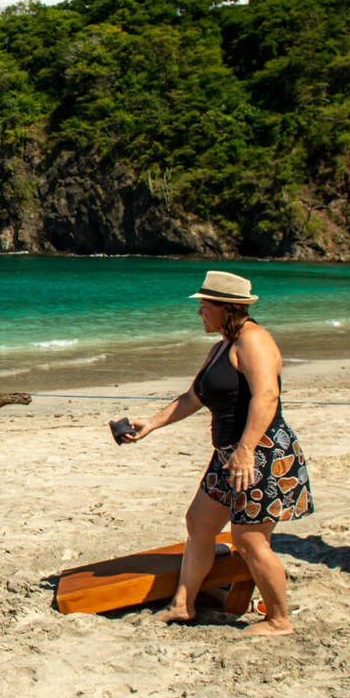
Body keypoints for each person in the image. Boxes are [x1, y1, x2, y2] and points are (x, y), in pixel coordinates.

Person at [119, 269, 312, 636]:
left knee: (249, 539)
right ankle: (183, 604)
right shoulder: (222, 345)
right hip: (229, 454)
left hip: (259, 454)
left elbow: (267, 396)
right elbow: (194, 397)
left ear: (227, 308)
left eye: (205, 306)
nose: (199, 313)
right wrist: (151, 424)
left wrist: (246, 449)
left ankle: (279, 619)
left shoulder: (254, 341)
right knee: (199, 523)